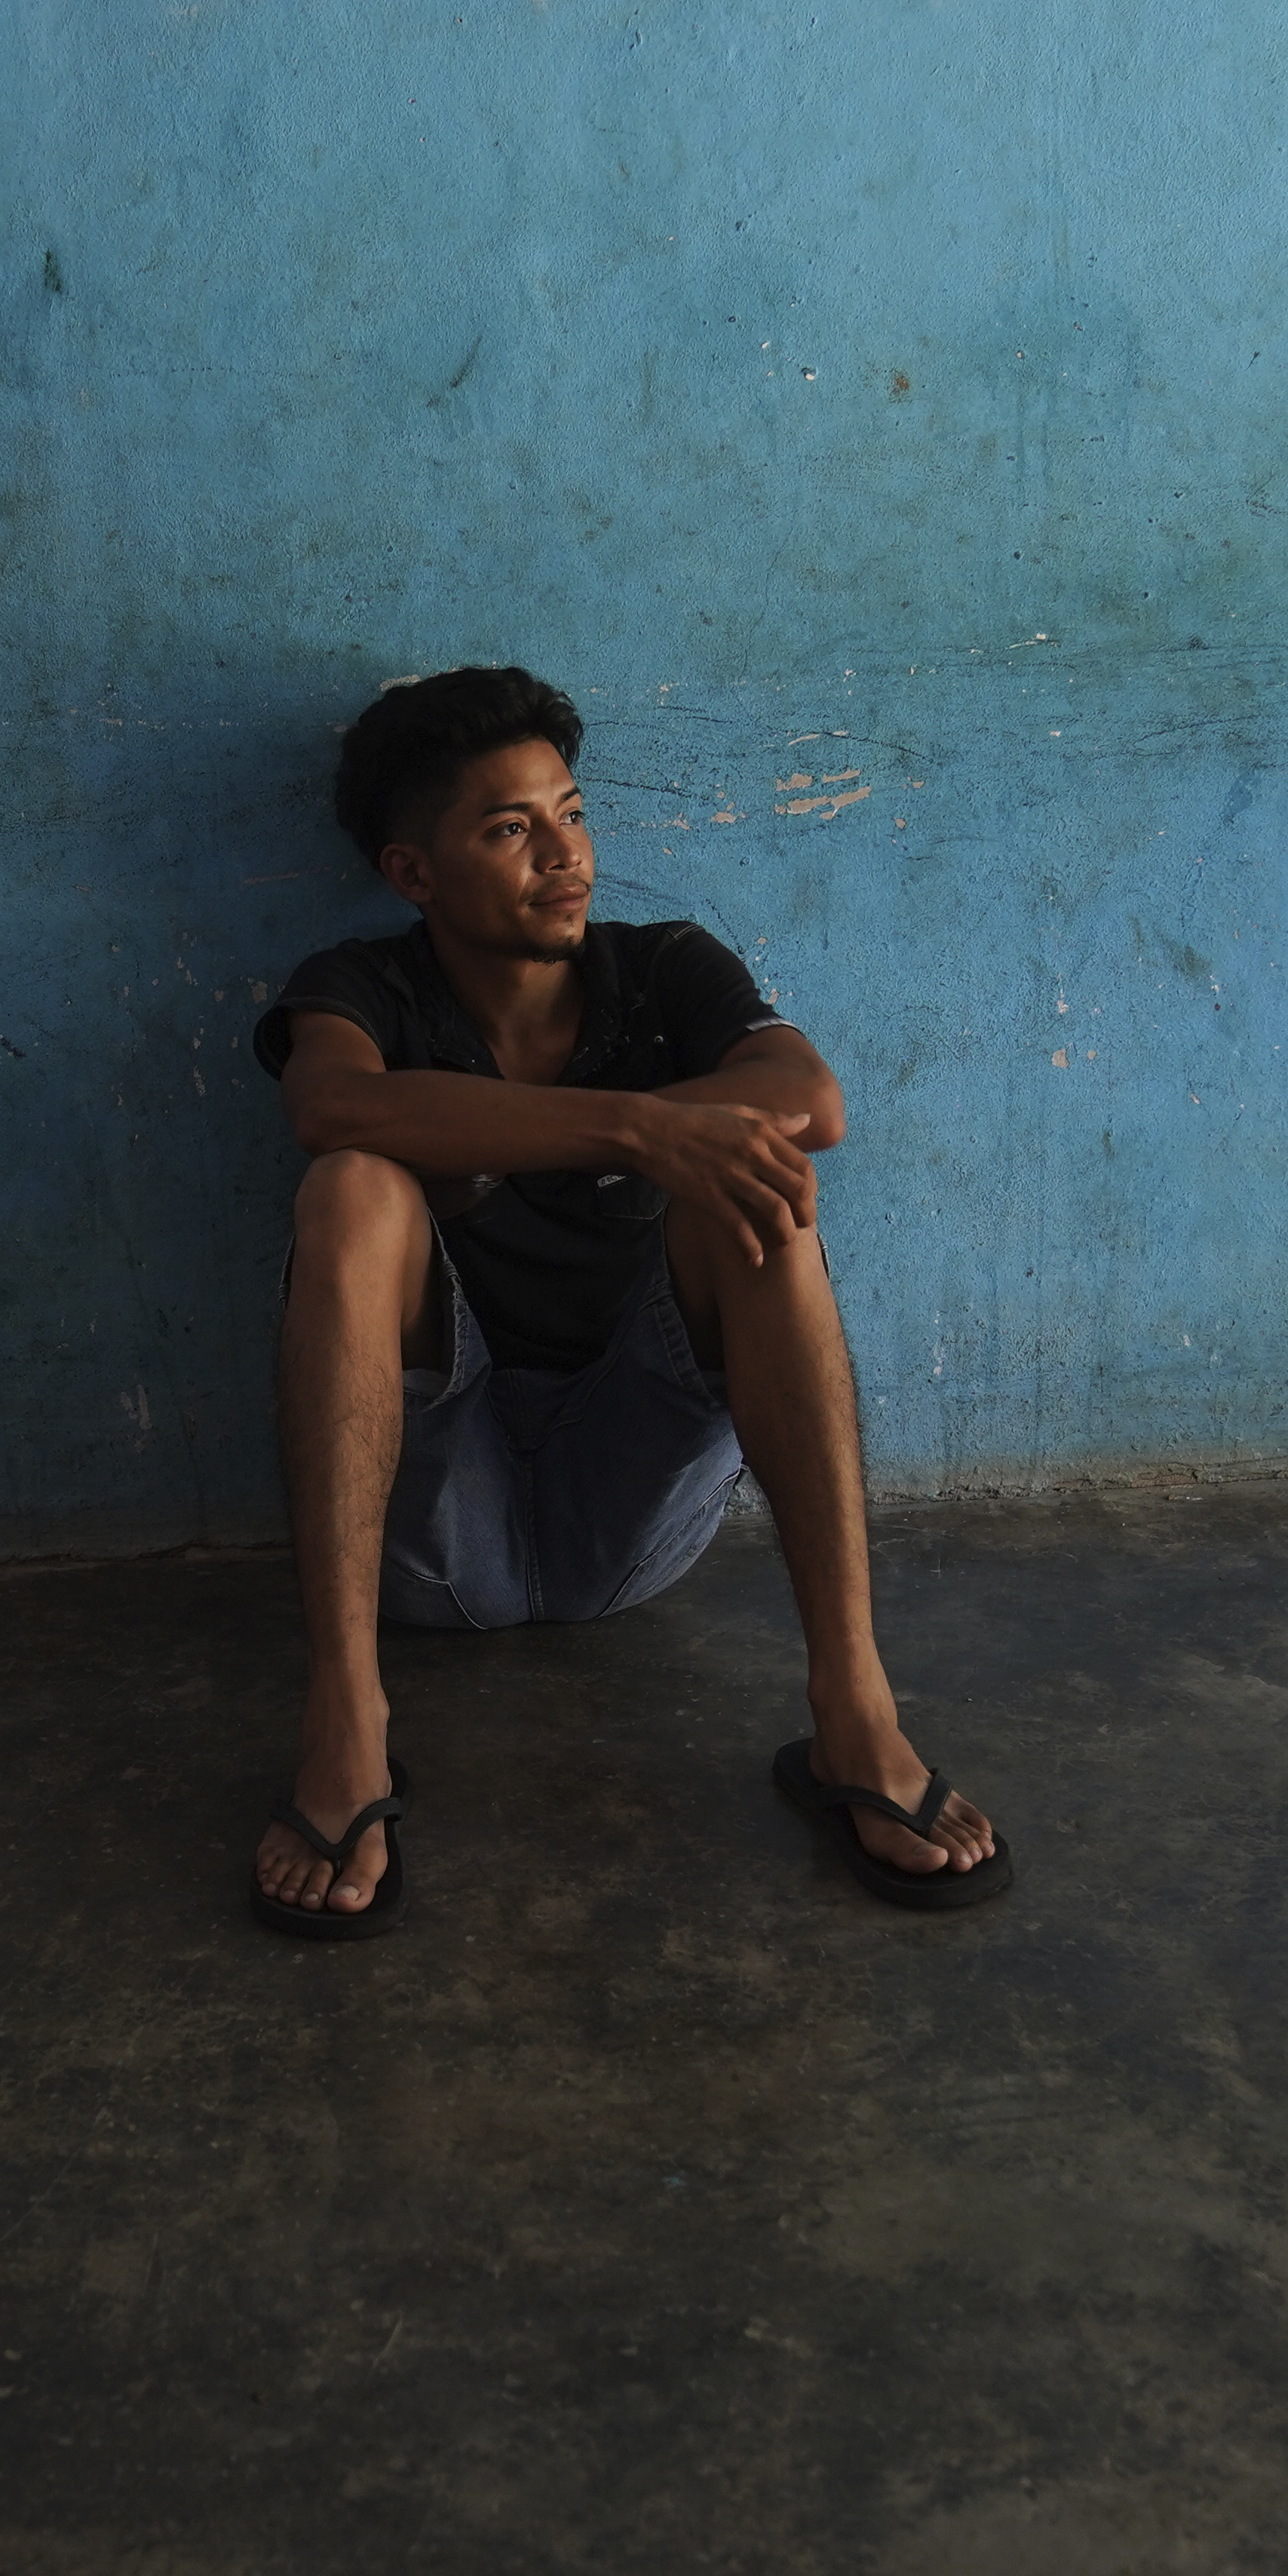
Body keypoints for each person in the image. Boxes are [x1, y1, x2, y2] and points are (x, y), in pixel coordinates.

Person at [245, 664, 1011, 1933]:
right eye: (508, 829)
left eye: (573, 813)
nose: (563, 855)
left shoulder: (662, 970)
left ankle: (854, 1715)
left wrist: (635, 1137)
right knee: (354, 1188)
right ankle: (347, 1724)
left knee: (755, 1195)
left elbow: (809, 1103)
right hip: (435, 1520)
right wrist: (640, 1130)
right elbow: (330, 1104)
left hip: (628, 1509)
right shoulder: (362, 985)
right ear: (413, 873)